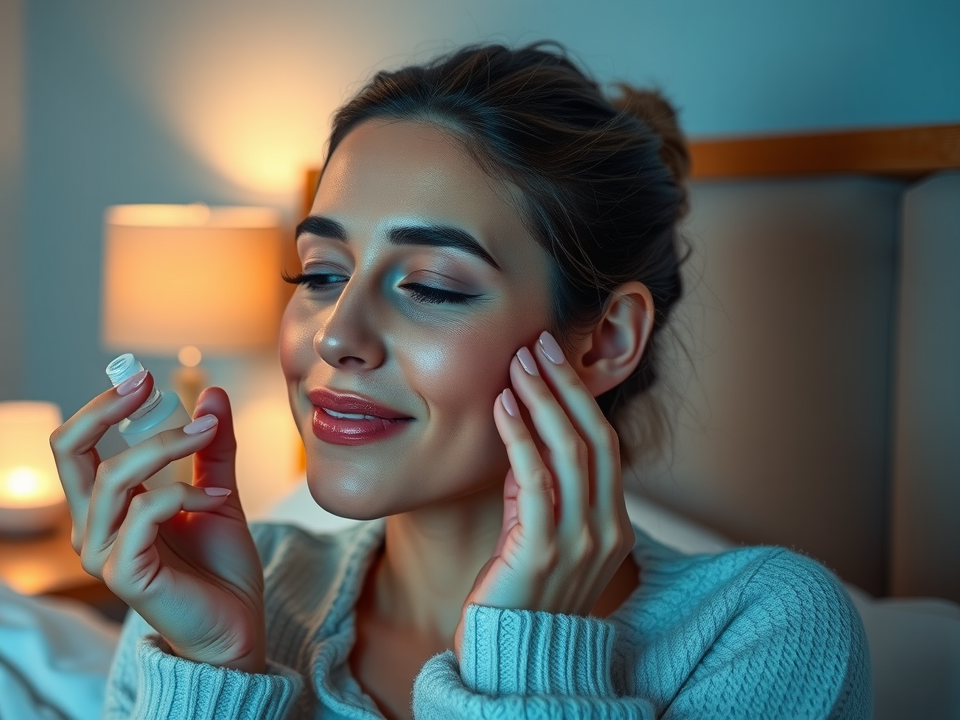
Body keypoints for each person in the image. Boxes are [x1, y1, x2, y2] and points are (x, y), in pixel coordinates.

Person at [50, 41, 871, 720]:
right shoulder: (221, 588)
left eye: (434, 286)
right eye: (322, 274)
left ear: (605, 341)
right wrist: (215, 669)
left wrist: (529, 651)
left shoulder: (762, 630)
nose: (338, 336)